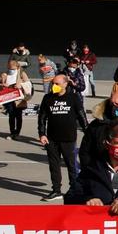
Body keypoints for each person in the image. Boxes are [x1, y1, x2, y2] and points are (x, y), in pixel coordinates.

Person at [37, 73, 88, 201]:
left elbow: (81, 115)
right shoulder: (47, 98)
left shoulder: (73, 97)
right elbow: (42, 117)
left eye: (57, 84)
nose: (54, 86)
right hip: (51, 138)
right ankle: (56, 190)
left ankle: (74, 190)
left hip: (68, 138)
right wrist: (42, 133)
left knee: (71, 165)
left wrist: (88, 132)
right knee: (54, 165)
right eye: (53, 83)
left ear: (65, 84)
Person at [0, 58, 32, 140]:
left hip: (19, 99)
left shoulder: (21, 74)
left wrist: (21, 85)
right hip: (9, 98)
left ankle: (17, 133)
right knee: (11, 116)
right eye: (9, 68)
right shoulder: (5, 74)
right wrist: (3, 84)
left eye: (12, 69)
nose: (11, 70)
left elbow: (28, 83)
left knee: (18, 116)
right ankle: (12, 132)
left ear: (17, 67)